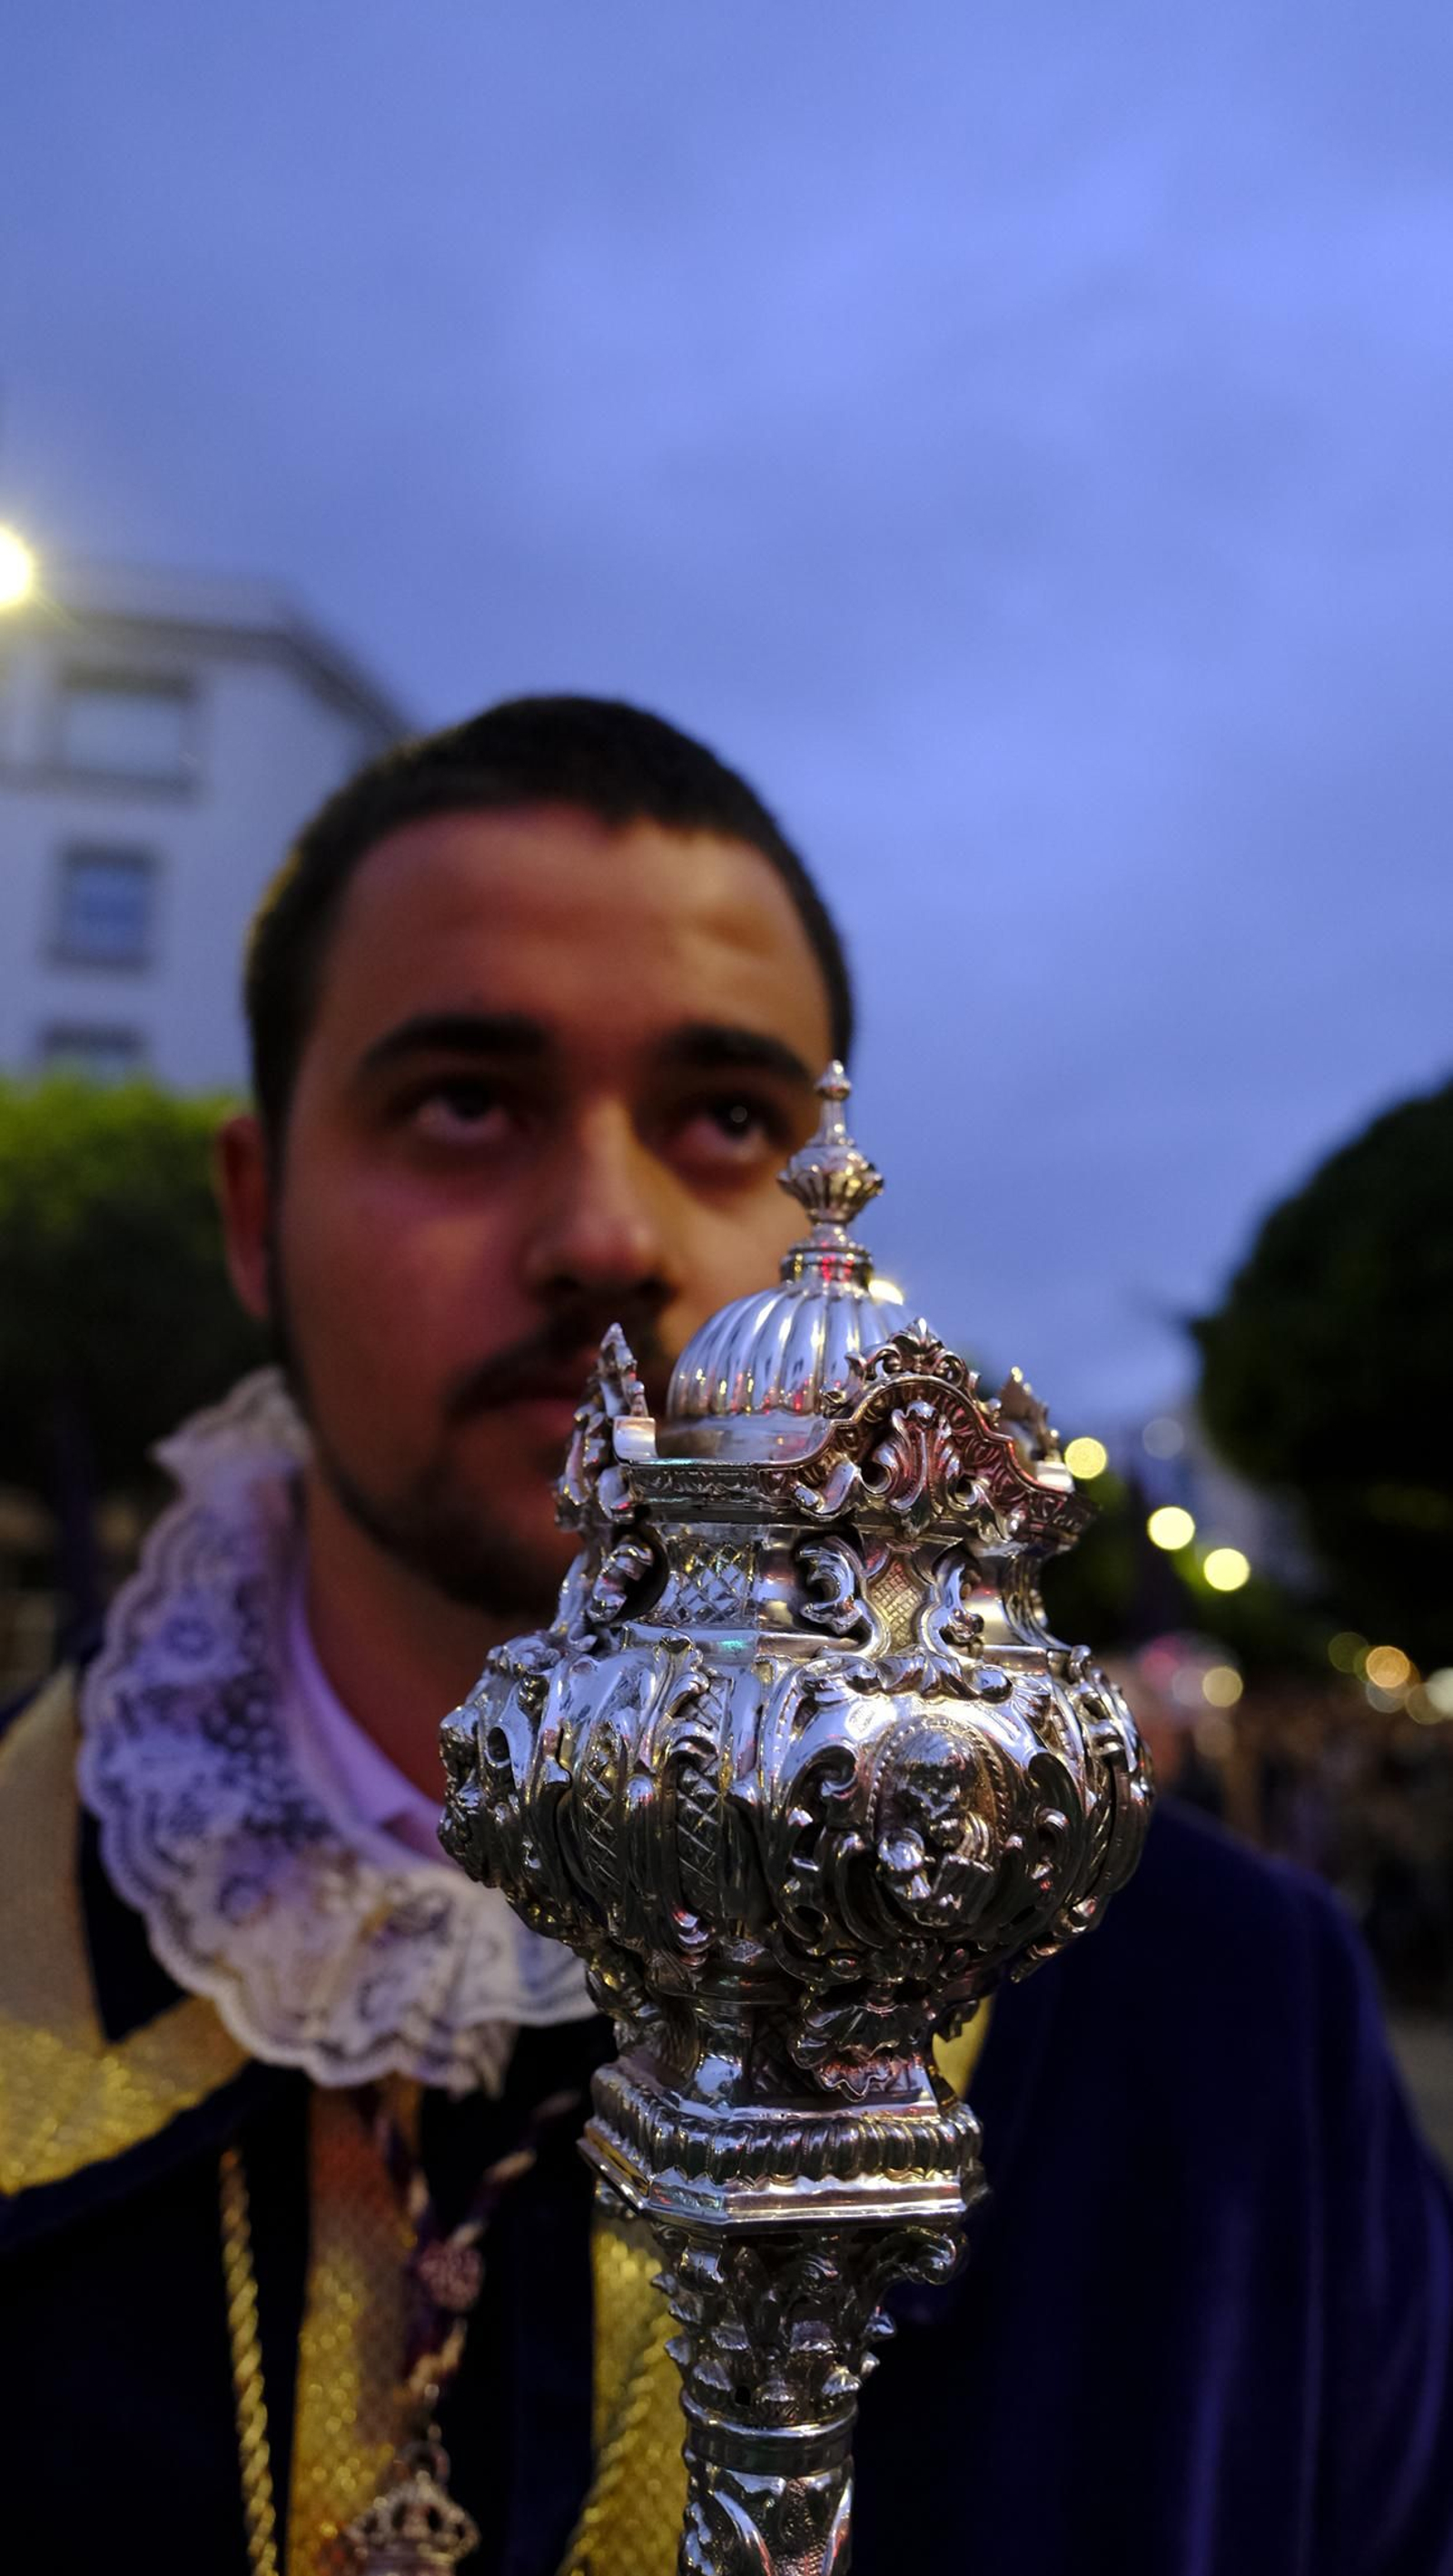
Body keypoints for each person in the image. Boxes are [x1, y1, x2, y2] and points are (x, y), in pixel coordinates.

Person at [1, 696, 1449, 2576]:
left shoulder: (1226, 2022)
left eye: (725, 1118)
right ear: (257, 1215)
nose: (606, 1229)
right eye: (464, 1103)